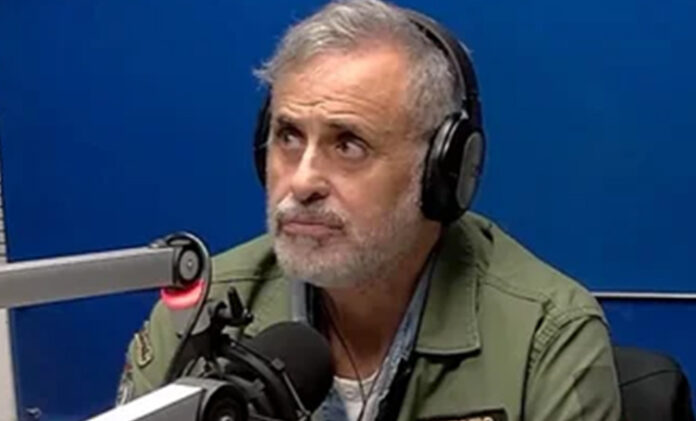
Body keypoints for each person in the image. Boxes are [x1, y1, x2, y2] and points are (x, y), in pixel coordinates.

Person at [118, 1, 622, 419]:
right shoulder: (195, 317)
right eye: (288, 136)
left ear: (441, 170)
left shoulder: (546, 338)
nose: (302, 181)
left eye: (348, 144)